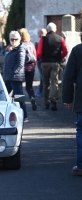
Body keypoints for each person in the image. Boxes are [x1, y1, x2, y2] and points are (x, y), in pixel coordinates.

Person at [36, 22, 68, 111]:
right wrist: (60, 57)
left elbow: (38, 53)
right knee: (55, 82)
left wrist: (43, 58)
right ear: (56, 29)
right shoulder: (60, 39)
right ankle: (54, 101)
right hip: (55, 63)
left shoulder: (43, 39)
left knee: (46, 83)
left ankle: (46, 102)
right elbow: (65, 51)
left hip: (45, 63)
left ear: (47, 30)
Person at [62, 43, 82, 176]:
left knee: (81, 131)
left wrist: (67, 98)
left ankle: (81, 166)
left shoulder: (78, 50)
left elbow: (68, 76)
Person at [3, 31, 28, 122]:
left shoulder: (21, 49)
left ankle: (25, 116)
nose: (14, 41)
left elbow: (20, 64)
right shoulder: (10, 49)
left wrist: (14, 72)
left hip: (16, 78)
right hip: (8, 77)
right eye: (12, 39)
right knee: (3, 95)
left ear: (19, 39)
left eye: (16, 39)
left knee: (19, 97)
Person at [19, 28, 37, 111]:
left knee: (19, 87)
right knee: (29, 87)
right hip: (31, 68)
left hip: (21, 69)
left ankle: (19, 103)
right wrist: (33, 66)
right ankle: (32, 97)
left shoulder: (19, 45)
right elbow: (35, 57)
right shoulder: (31, 44)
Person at [35, 28, 47, 97]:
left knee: (42, 76)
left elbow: (39, 52)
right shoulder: (46, 39)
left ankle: (41, 91)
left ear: (42, 33)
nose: (37, 34)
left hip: (41, 61)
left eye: (38, 33)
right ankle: (41, 91)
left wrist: (38, 59)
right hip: (43, 60)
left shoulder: (42, 40)